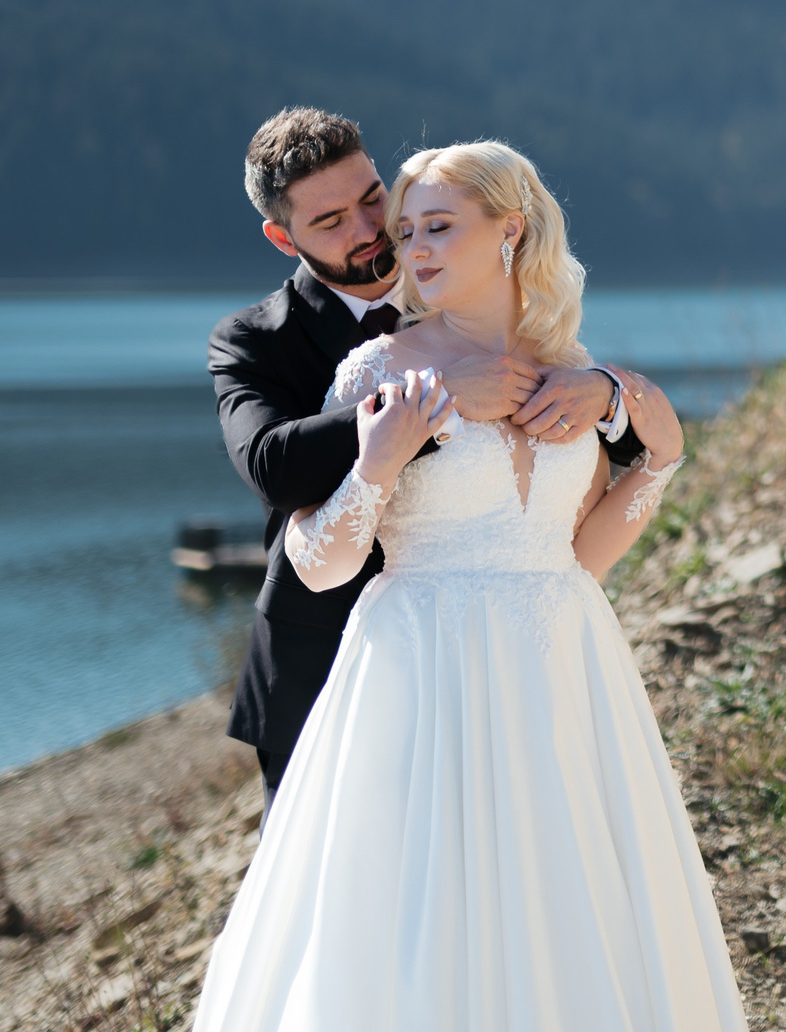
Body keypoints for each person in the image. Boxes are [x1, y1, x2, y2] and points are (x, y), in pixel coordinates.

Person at [193, 140, 744, 1029]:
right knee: (417, 922)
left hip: (562, 667)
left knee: (574, 905)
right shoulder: (377, 370)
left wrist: (661, 453)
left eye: (435, 225)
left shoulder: (570, 367)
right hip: (421, 672)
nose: (409, 246)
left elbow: (579, 557)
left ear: (510, 229)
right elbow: (322, 557)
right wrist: (378, 457)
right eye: (406, 231)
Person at [210, 109, 632, 804]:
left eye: (372, 197)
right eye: (331, 221)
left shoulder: (466, 286)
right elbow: (272, 465)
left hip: (503, 661)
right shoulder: (254, 340)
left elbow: (612, 442)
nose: (370, 229)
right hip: (323, 658)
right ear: (283, 237)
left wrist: (605, 390)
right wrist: (434, 400)